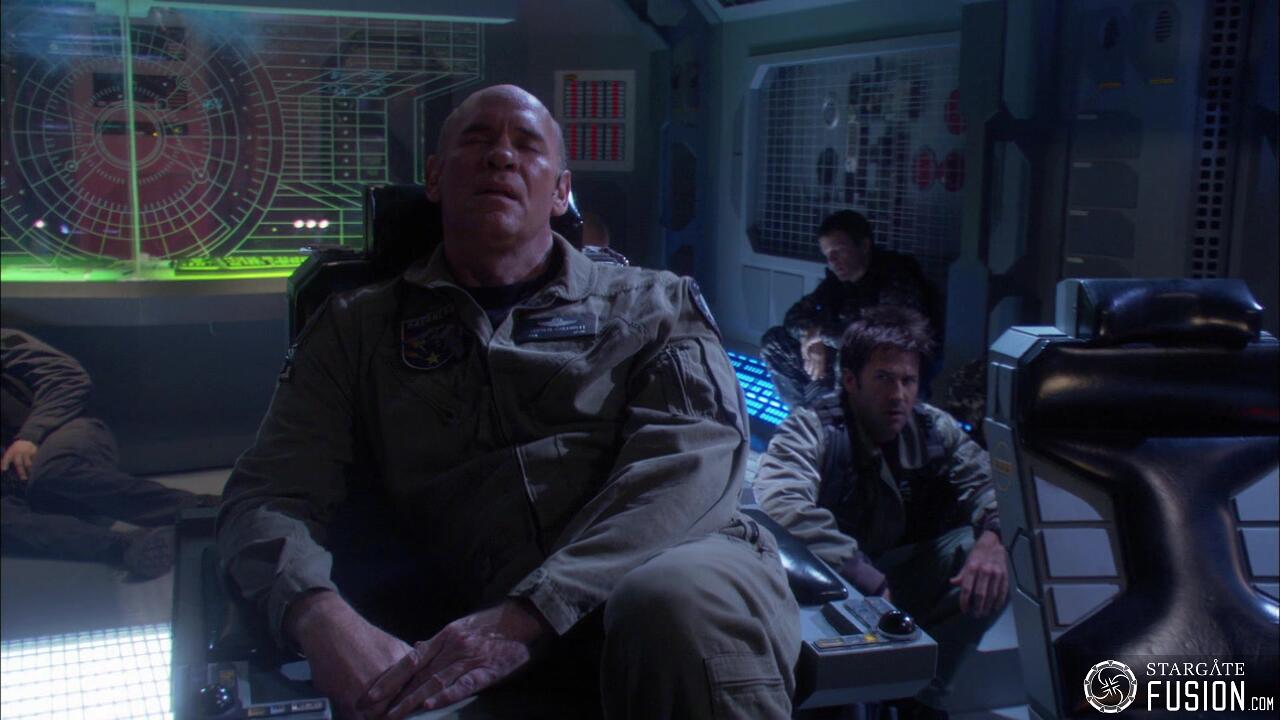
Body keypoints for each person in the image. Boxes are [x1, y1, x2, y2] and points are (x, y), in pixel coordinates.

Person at [216, 84, 799, 720]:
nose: (501, 155)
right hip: (464, 613)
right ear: (435, 178)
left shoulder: (656, 303)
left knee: (672, 601)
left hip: (664, 565)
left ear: (560, 192)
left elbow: (688, 469)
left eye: (527, 145)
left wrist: (532, 614)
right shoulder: (356, 329)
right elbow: (267, 496)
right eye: (477, 141)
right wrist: (315, 612)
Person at [753, 305, 1006, 709]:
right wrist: (861, 574)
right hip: (834, 581)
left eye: (908, 380)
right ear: (850, 381)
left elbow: (992, 487)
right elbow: (782, 502)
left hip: (897, 573)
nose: (898, 395)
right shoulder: (812, 427)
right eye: (884, 378)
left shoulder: (932, 429)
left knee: (993, 553)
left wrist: (994, 538)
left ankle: (922, 690)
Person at [1, 328, 218, 578]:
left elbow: (67, 377)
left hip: (58, 431)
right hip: (22, 486)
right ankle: (125, 548)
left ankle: (201, 509)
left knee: (54, 471)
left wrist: (30, 435)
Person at [759, 210, 942, 408]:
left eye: (839, 250)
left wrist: (821, 335)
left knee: (851, 355)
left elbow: (882, 339)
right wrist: (809, 336)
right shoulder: (837, 282)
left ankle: (839, 416)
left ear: (864, 246)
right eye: (827, 254)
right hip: (845, 365)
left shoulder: (895, 278)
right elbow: (794, 316)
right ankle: (806, 413)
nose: (832, 260)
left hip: (890, 372)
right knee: (774, 341)